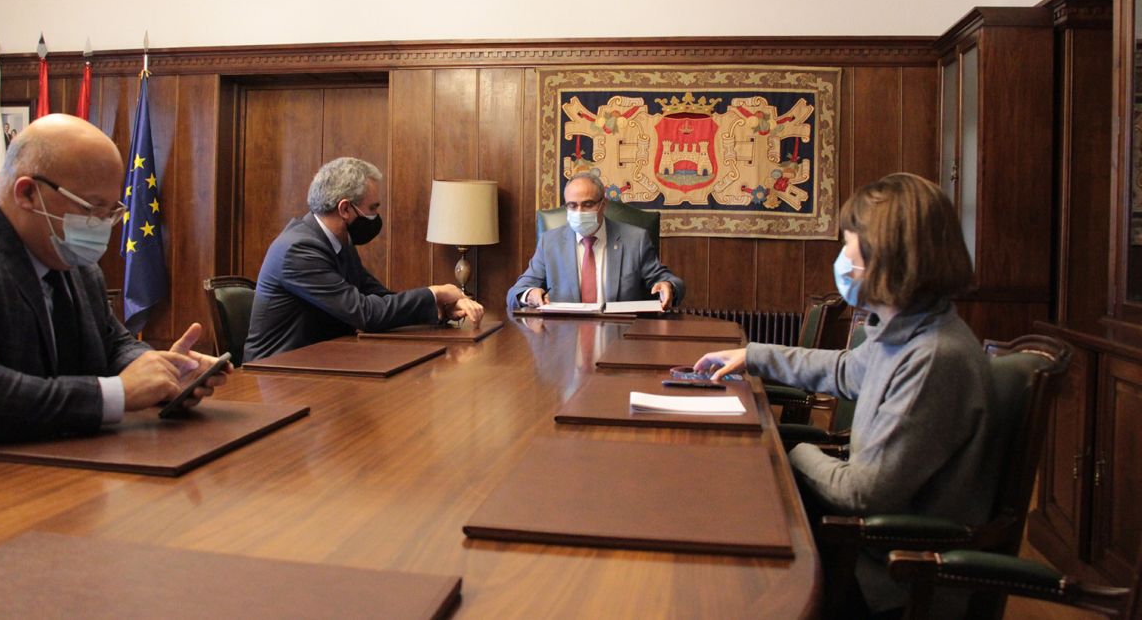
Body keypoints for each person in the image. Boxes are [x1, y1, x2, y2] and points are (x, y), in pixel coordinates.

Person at [694, 173, 996, 617]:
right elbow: (845, 369)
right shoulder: (908, 328)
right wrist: (752, 355)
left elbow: (861, 493)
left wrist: (789, 449)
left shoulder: (932, 356)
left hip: (886, 576)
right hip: (859, 545)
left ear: (887, 257)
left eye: (848, 245)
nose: (842, 260)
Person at [0, 114, 229, 446]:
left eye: (111, 211)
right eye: (91, 208)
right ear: (27, 193)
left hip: (67, 465)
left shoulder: (70, 257)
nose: (102, 226)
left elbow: (111, 344)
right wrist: (116, 394)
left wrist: (163, 371)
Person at [244, 157, 483, 361]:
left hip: (324, 361)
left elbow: (379, 297)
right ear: (345, 209)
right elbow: (366, 313)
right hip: (276, 373)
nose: (376, 216)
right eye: (373, 208)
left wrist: (441, 307)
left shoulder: (339, 241)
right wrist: (435, 292)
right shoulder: (298, 250)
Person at [505, 173, 684, 311]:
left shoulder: (635, 240)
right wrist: (529, 295)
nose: (580, 211)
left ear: (603, 204)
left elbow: (669, 281)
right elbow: (515, 293)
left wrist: (668, 287)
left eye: (588, 204)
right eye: (572, 205)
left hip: (621, 335)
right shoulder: (550, 242)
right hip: (564, 337)